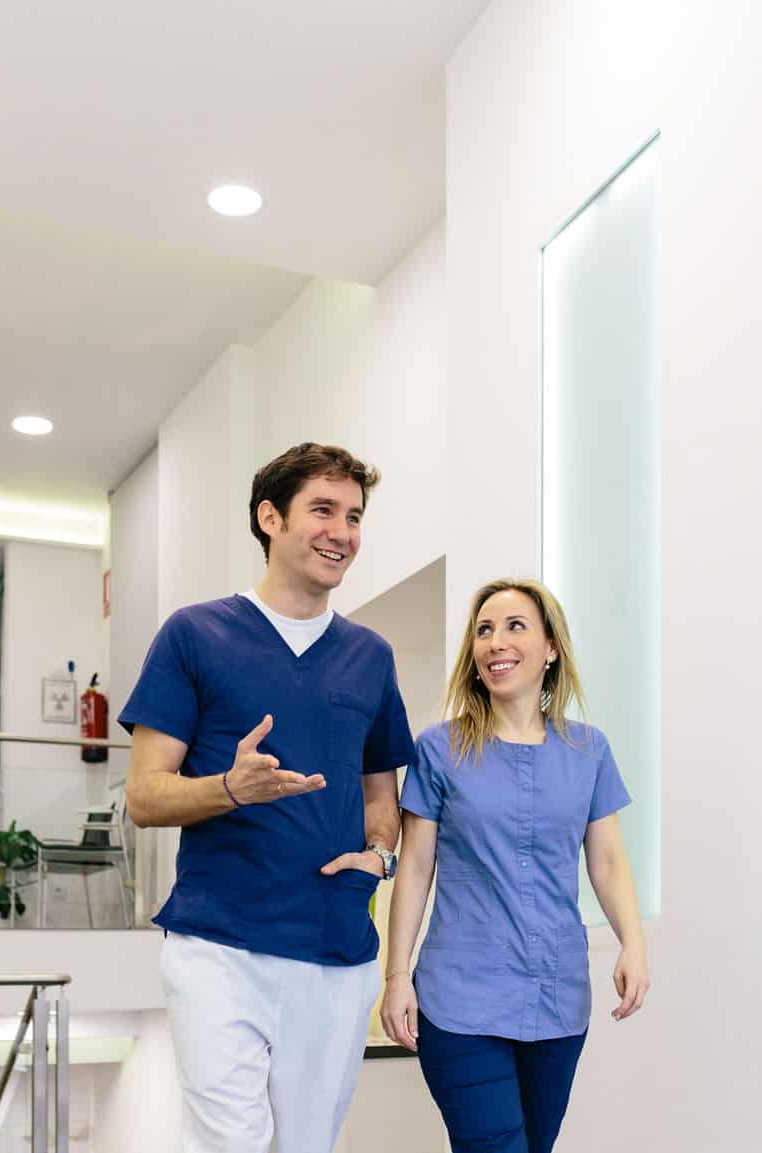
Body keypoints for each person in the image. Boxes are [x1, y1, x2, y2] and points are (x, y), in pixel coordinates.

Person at [121, 442, 413, 1153]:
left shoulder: (370, 656)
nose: (341, 531)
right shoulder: (194, 634)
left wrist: (379, 855)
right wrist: (229, 786)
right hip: (219, 944)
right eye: (322, 508)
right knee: (230, 1142)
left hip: (335, 946)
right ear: (269, 517)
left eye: (353, 515)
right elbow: (143, 794)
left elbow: (383, 795)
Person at [380, 578, 650, 1153]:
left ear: (551, 647)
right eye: (483, 630)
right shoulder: (439, 749)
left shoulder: (589, 750)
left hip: (557, 998)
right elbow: (416, 868)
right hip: (459, 1000)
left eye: (514, 627)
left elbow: (606, 859)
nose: (495, 642)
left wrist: (634, 942)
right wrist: (396, 975)